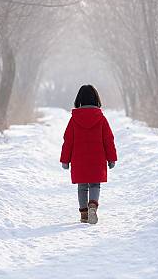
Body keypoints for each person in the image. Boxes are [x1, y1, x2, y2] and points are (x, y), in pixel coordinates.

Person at [60, 84, 117, 224]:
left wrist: (65, 160)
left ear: (79, 99)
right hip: (97, 158)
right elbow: (108, 139)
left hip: (79, 159)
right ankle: (93, 206)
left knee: (82, 186)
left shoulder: (74, 120)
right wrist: (111, 158)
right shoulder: (101, 119)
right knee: (94, 185)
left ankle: (84, 214)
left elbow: (68, 140)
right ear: (96, 99)